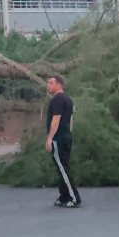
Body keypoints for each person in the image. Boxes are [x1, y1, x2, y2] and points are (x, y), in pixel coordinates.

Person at [45, 75, 81, 208]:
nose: (48, 85)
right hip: (65, 137)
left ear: (59, 84)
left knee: (63, 168)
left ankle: (74, 197)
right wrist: (69, 134)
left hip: (59, 138)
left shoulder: (58, 100)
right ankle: (64, 196)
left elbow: (56, 119)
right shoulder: (67, 99)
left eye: (51, 83)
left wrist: (50, 138)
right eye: (48, 83)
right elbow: (70, 120)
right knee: (62, 167)